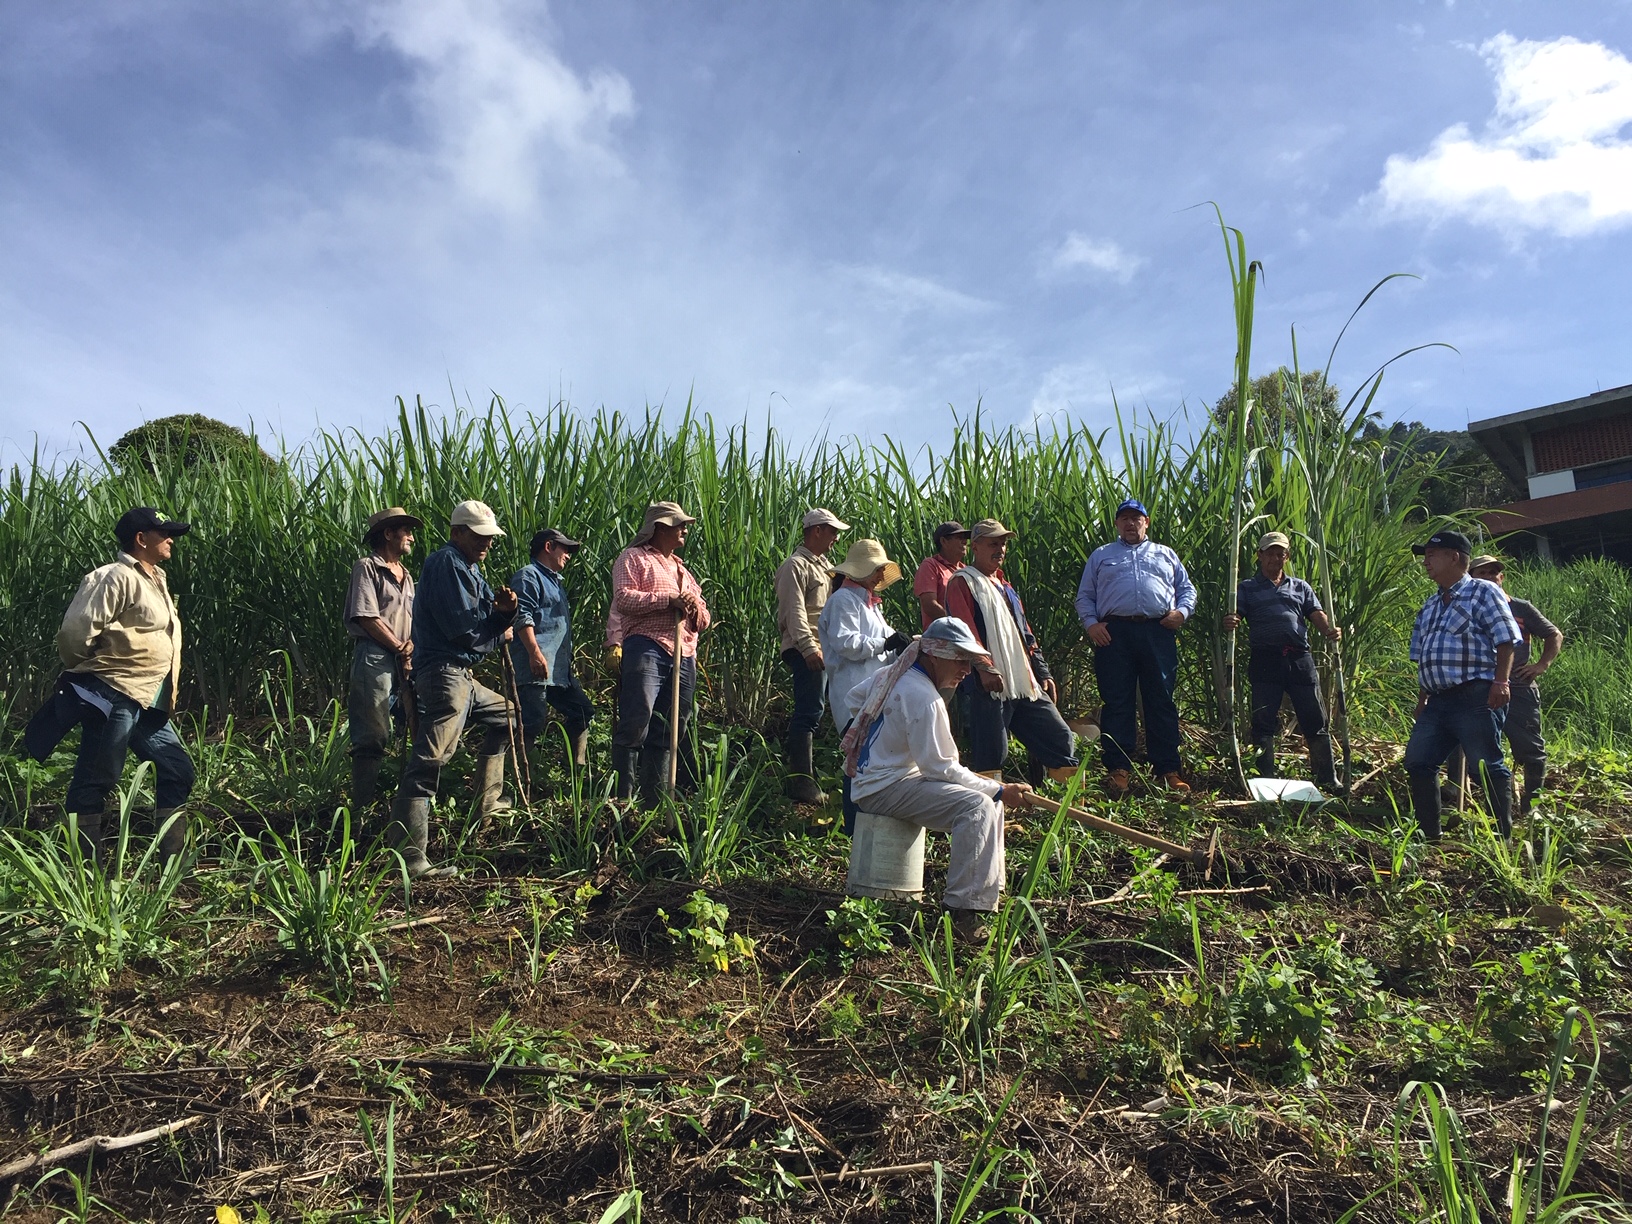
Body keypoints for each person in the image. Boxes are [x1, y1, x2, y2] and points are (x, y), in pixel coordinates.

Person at [25, 507, 196, 865]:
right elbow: (75, 633)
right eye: (163, 534)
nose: (170, 540)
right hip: (114, 691)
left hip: (148, 698)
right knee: (96, 778)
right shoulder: (114, 577)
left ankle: (174, 865)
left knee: (177, 768)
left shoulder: (156, 578)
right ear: (140, 538)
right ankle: (86, 872)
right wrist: (93, 671)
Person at [845, 617, 1033, 942]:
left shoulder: (893, 674)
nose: (966, 670)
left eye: (969, 662)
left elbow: (853, 700)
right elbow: (942, 769)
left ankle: (985, 892)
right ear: (935, 656)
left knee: (984, 801)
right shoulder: (924, 697)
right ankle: (966, 912)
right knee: (977, 806)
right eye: (960, 660)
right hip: (884, 788)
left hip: (873, 781)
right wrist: (1000, 790)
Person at [388, 500, 518, 878]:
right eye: (478, 536)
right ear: (457, 532)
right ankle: (410, 860)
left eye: (489, 538)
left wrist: (503, 614)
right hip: (445, 674)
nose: (486, 544)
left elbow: (478, 628)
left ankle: (488, 802)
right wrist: (501, 626)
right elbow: (464, 633)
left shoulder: (469, 569)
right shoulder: (446, 563)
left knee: (507, 714)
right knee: (430, 760)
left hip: (460, 675)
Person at [1404, 530, 1523, 841]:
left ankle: (1503, 837)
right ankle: (1430, 836)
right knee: (1418, 760)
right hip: (1437, 701)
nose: (1426, 561)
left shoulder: (1482, 592)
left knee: (1485, 766)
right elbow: (1424, 658)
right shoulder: (1430, 605)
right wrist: (1422, 700)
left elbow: (1506, 638)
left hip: (1475, 694)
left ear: (1454, 557)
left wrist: (1501, 681)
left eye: (1432, 554)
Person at [1074, 498, 1196, 798]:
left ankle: (1168, 770)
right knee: (1117, 701)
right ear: (1117, 524)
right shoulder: (1102, 555)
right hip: (1114, 634)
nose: (1130, 523)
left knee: (1162, 701)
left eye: (1136, 518)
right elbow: (1085, 596)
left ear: (1147, 522)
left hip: (1158, 631)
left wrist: (1182, 612)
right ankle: (1119, 769)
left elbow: (1187, 589)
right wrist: (1092, 624)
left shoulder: (1165, 554)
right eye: (1124, 518)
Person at [946, 519, 1079, 784]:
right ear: (975, 546)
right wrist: (985, 668)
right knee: (993, 751)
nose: (1001, 548)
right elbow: (965, 632)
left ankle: (1071, 809)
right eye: (994, 543)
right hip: (989, 682)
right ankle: (994, 816)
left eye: (1004, 543)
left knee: (1060, 737)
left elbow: (1025, 635)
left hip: (1022, 680)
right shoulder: (963, 583)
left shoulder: (1006, 587)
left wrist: (1042, 671)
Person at [1222, 531, 1343, 790]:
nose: (1275, 558)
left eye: (1280, 553)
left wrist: (1329, 630)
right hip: (1266, 659)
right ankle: (1264, 779)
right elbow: (1236, 616)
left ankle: (1327, 778)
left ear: (1286, 557)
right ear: (1260, 556)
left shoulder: (1300, 587)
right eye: (1270, 553)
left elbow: (1316, 614)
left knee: (1314, 717)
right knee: (1263, 720)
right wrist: (1231, 621)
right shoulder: (1246, 588)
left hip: (1299, 658)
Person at [610, 501, 712, 806]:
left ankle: (654, 800)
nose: (683, 530)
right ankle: (622, 798)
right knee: (638, 716)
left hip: (685, 653)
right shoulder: (633, 558)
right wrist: (669, 599)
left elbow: (704, 618)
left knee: (672, 725)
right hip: (648, 646)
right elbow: (625, 598)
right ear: (659, 528)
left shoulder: (683, 570)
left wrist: (694, 608)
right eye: (678, 525)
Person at [819, 539, 913, 828]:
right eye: (877, 569)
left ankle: (865, 823)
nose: (880, 576)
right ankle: (853, 825)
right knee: (858, 762)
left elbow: (883, 643)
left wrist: (901, 646)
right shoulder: (843, 601)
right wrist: (885, 643)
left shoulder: (869, 604)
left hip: (872, 695)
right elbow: (845, 642)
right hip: (853, 696)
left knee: (867, 761)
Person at [1463, 554, 1563, 813]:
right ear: (1471, 577)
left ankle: (1532, 808)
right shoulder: (1466, 607)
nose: (1488, 578)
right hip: (1480, 686)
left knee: (1531, 749)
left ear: (1501, 577)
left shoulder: (1520, 607)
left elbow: (1553, 634)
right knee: (1479, 750)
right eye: (1481, 573)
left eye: (1493, 573)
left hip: (1518, 686)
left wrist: (1541, 665)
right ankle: (1491, 809)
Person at [344, 507, 421, 812]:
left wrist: (410, 647)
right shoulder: (368, 568)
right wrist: (399, 647)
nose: (411, 538)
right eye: (406, 532)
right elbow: (366, 616)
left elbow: (413, 618)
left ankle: (403, 804)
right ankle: (362, 809)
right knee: (373, 734)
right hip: (375, 656)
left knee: (413, 723)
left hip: (404, 658)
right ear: (388, 534)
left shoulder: (407, 576)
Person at [774, 508, 849, 804]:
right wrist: (808, 648)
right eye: (832, 531)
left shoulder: (825, 567)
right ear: (816, 530)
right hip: (807, 650)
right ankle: (801, 783)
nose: (835, 537)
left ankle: (814, 777)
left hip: (826, 649)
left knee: (821, 711)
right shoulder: (795, 566)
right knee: (808, 711)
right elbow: (794, 613)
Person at [508, 527, 595, 771]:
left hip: (557, 671)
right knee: (532, 721)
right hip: (534, 667)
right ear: (549, 547)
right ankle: (522, 776)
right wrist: (534, 653)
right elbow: (522, 616)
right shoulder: (528, 576)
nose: (568, 555)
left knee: (582, 711)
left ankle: (571, 771)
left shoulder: (554, 581)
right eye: (564, 549)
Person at [912, 521, 972, 629]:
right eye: (959, 537)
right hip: (941, 637)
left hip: (968, 637)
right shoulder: (931, 565)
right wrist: (957, 626)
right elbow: (929, 605)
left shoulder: (966, 570)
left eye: (965, 538)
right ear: (944, 541)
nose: (965, 541)